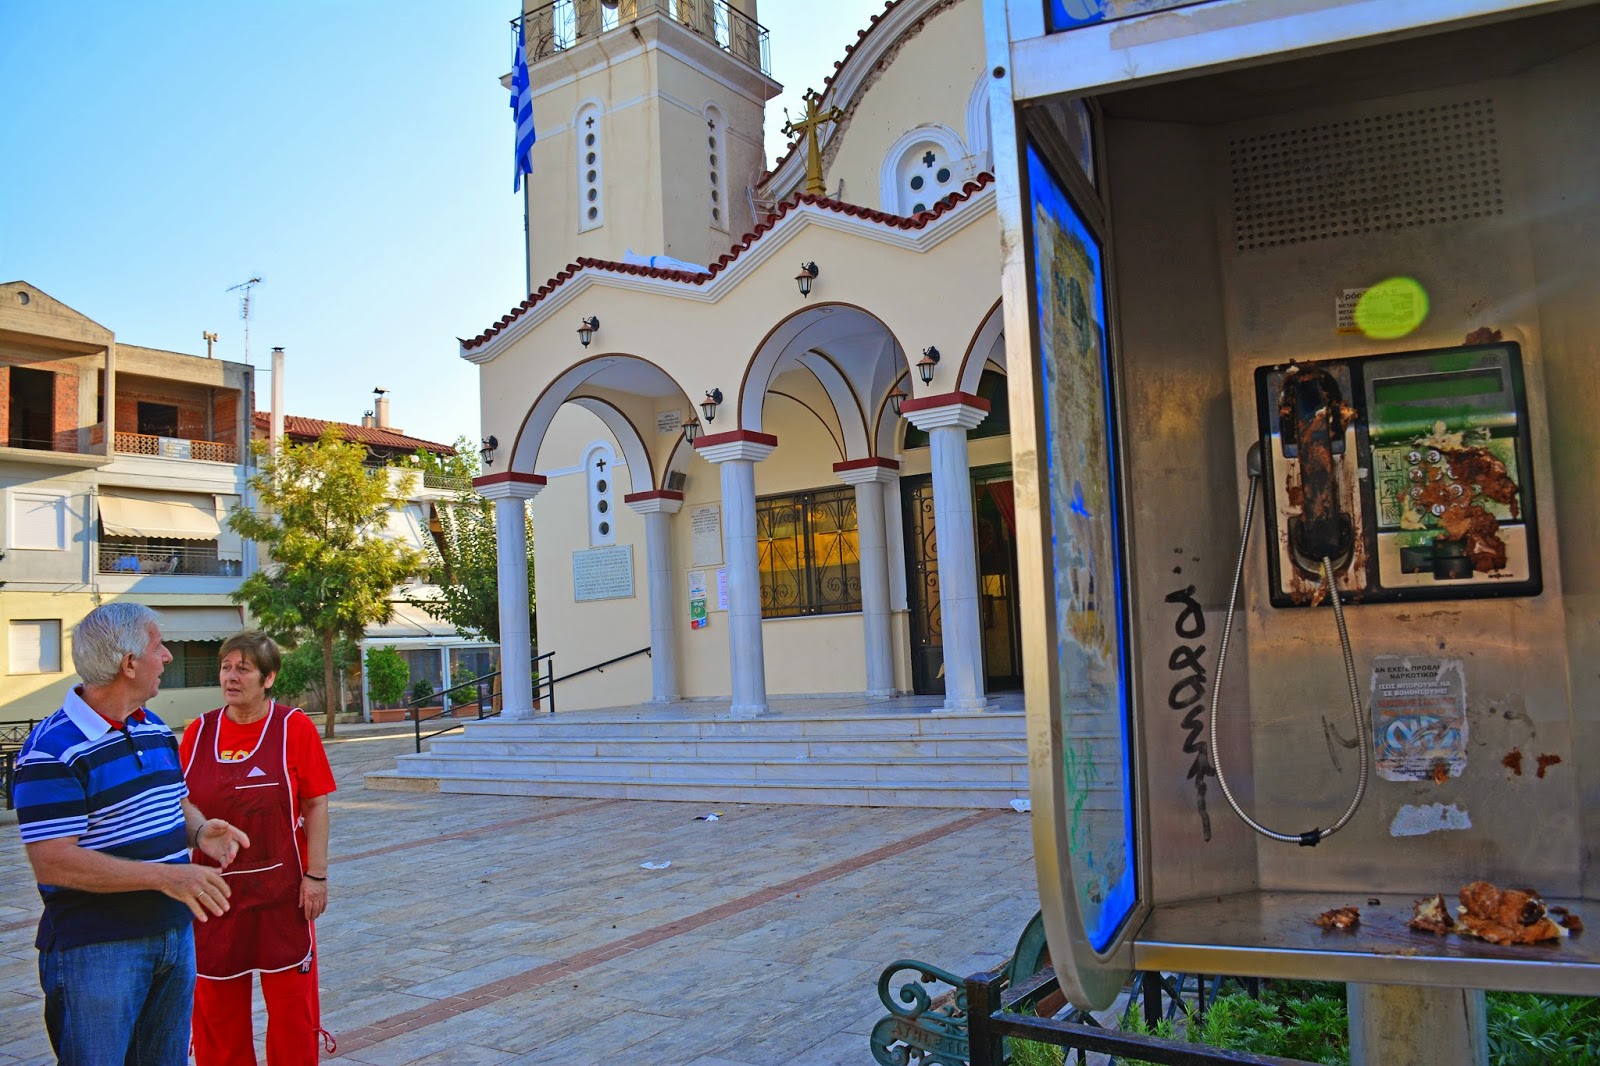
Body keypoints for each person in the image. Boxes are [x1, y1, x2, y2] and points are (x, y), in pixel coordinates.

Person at [14, 602, 250, 1065]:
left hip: (172, 936)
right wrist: (165, 877)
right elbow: (54, 861)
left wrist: (200, 830)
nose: (166, 657)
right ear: (128, 664)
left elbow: (172, 802)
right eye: (157, 646)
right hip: (98, 951)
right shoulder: (52, 749)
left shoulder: (154, 728)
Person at [179, 631, 337, 1065]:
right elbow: (181, 800)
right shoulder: (199, 731)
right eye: (226, 667)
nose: (231, 677)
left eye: (243, 669)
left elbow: (316, 803)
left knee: (291, 1010)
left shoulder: (293, 727)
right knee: (217, 1010)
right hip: (213, 894)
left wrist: (316, 875)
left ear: (268, 678)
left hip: (281, 894)